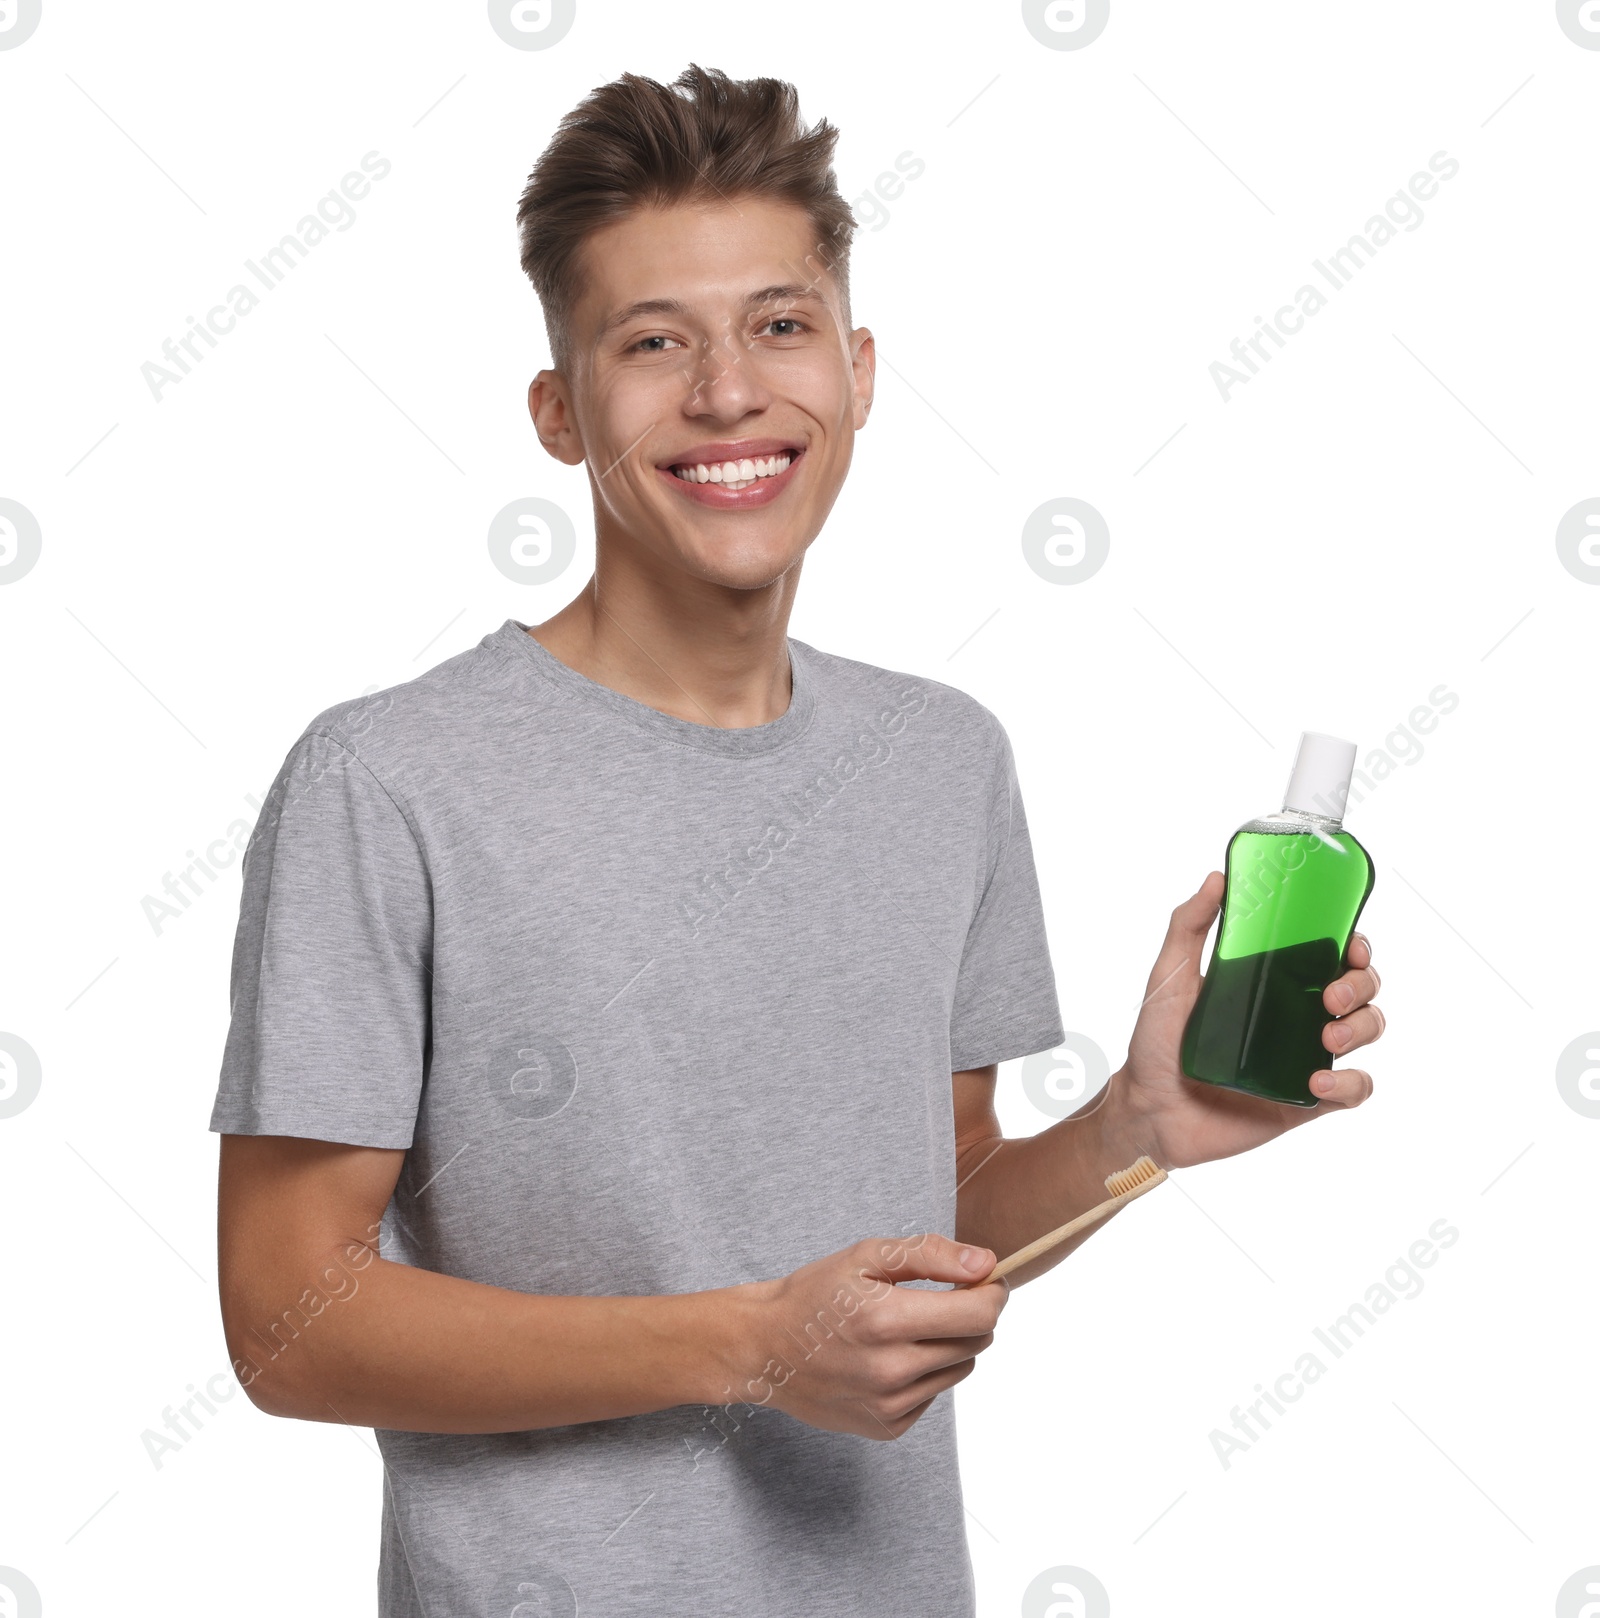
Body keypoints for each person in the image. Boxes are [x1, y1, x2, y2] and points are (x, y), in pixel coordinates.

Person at [211, 63, 1385, 1618]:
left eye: (779, 325)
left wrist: (1130, 1131)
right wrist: (749, 1342)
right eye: (652, 343)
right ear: (562, 411)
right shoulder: (385, 779)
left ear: (859, 366)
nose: (727, 393)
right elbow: (289, 1319)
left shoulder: (943, 761)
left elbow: (933, 1219)